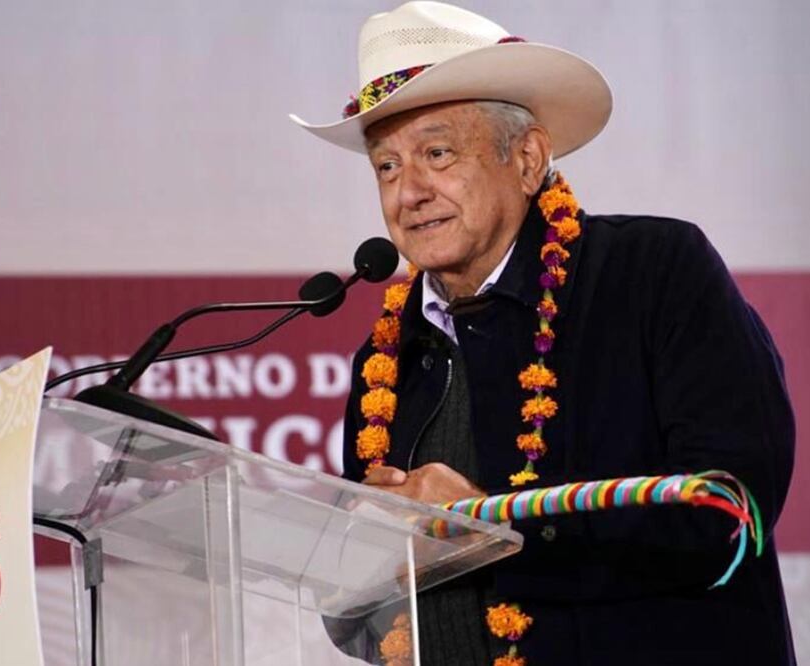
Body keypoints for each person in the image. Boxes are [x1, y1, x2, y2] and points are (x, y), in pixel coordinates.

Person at [290, 2, 796, 665]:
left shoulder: (653, 271)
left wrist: (487, 524)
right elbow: (362, 619)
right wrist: (361, 557)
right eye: (386, 166)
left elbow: (730, 509)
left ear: (527, 159)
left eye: (437, 153)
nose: (407, 192)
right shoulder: (389, 357)